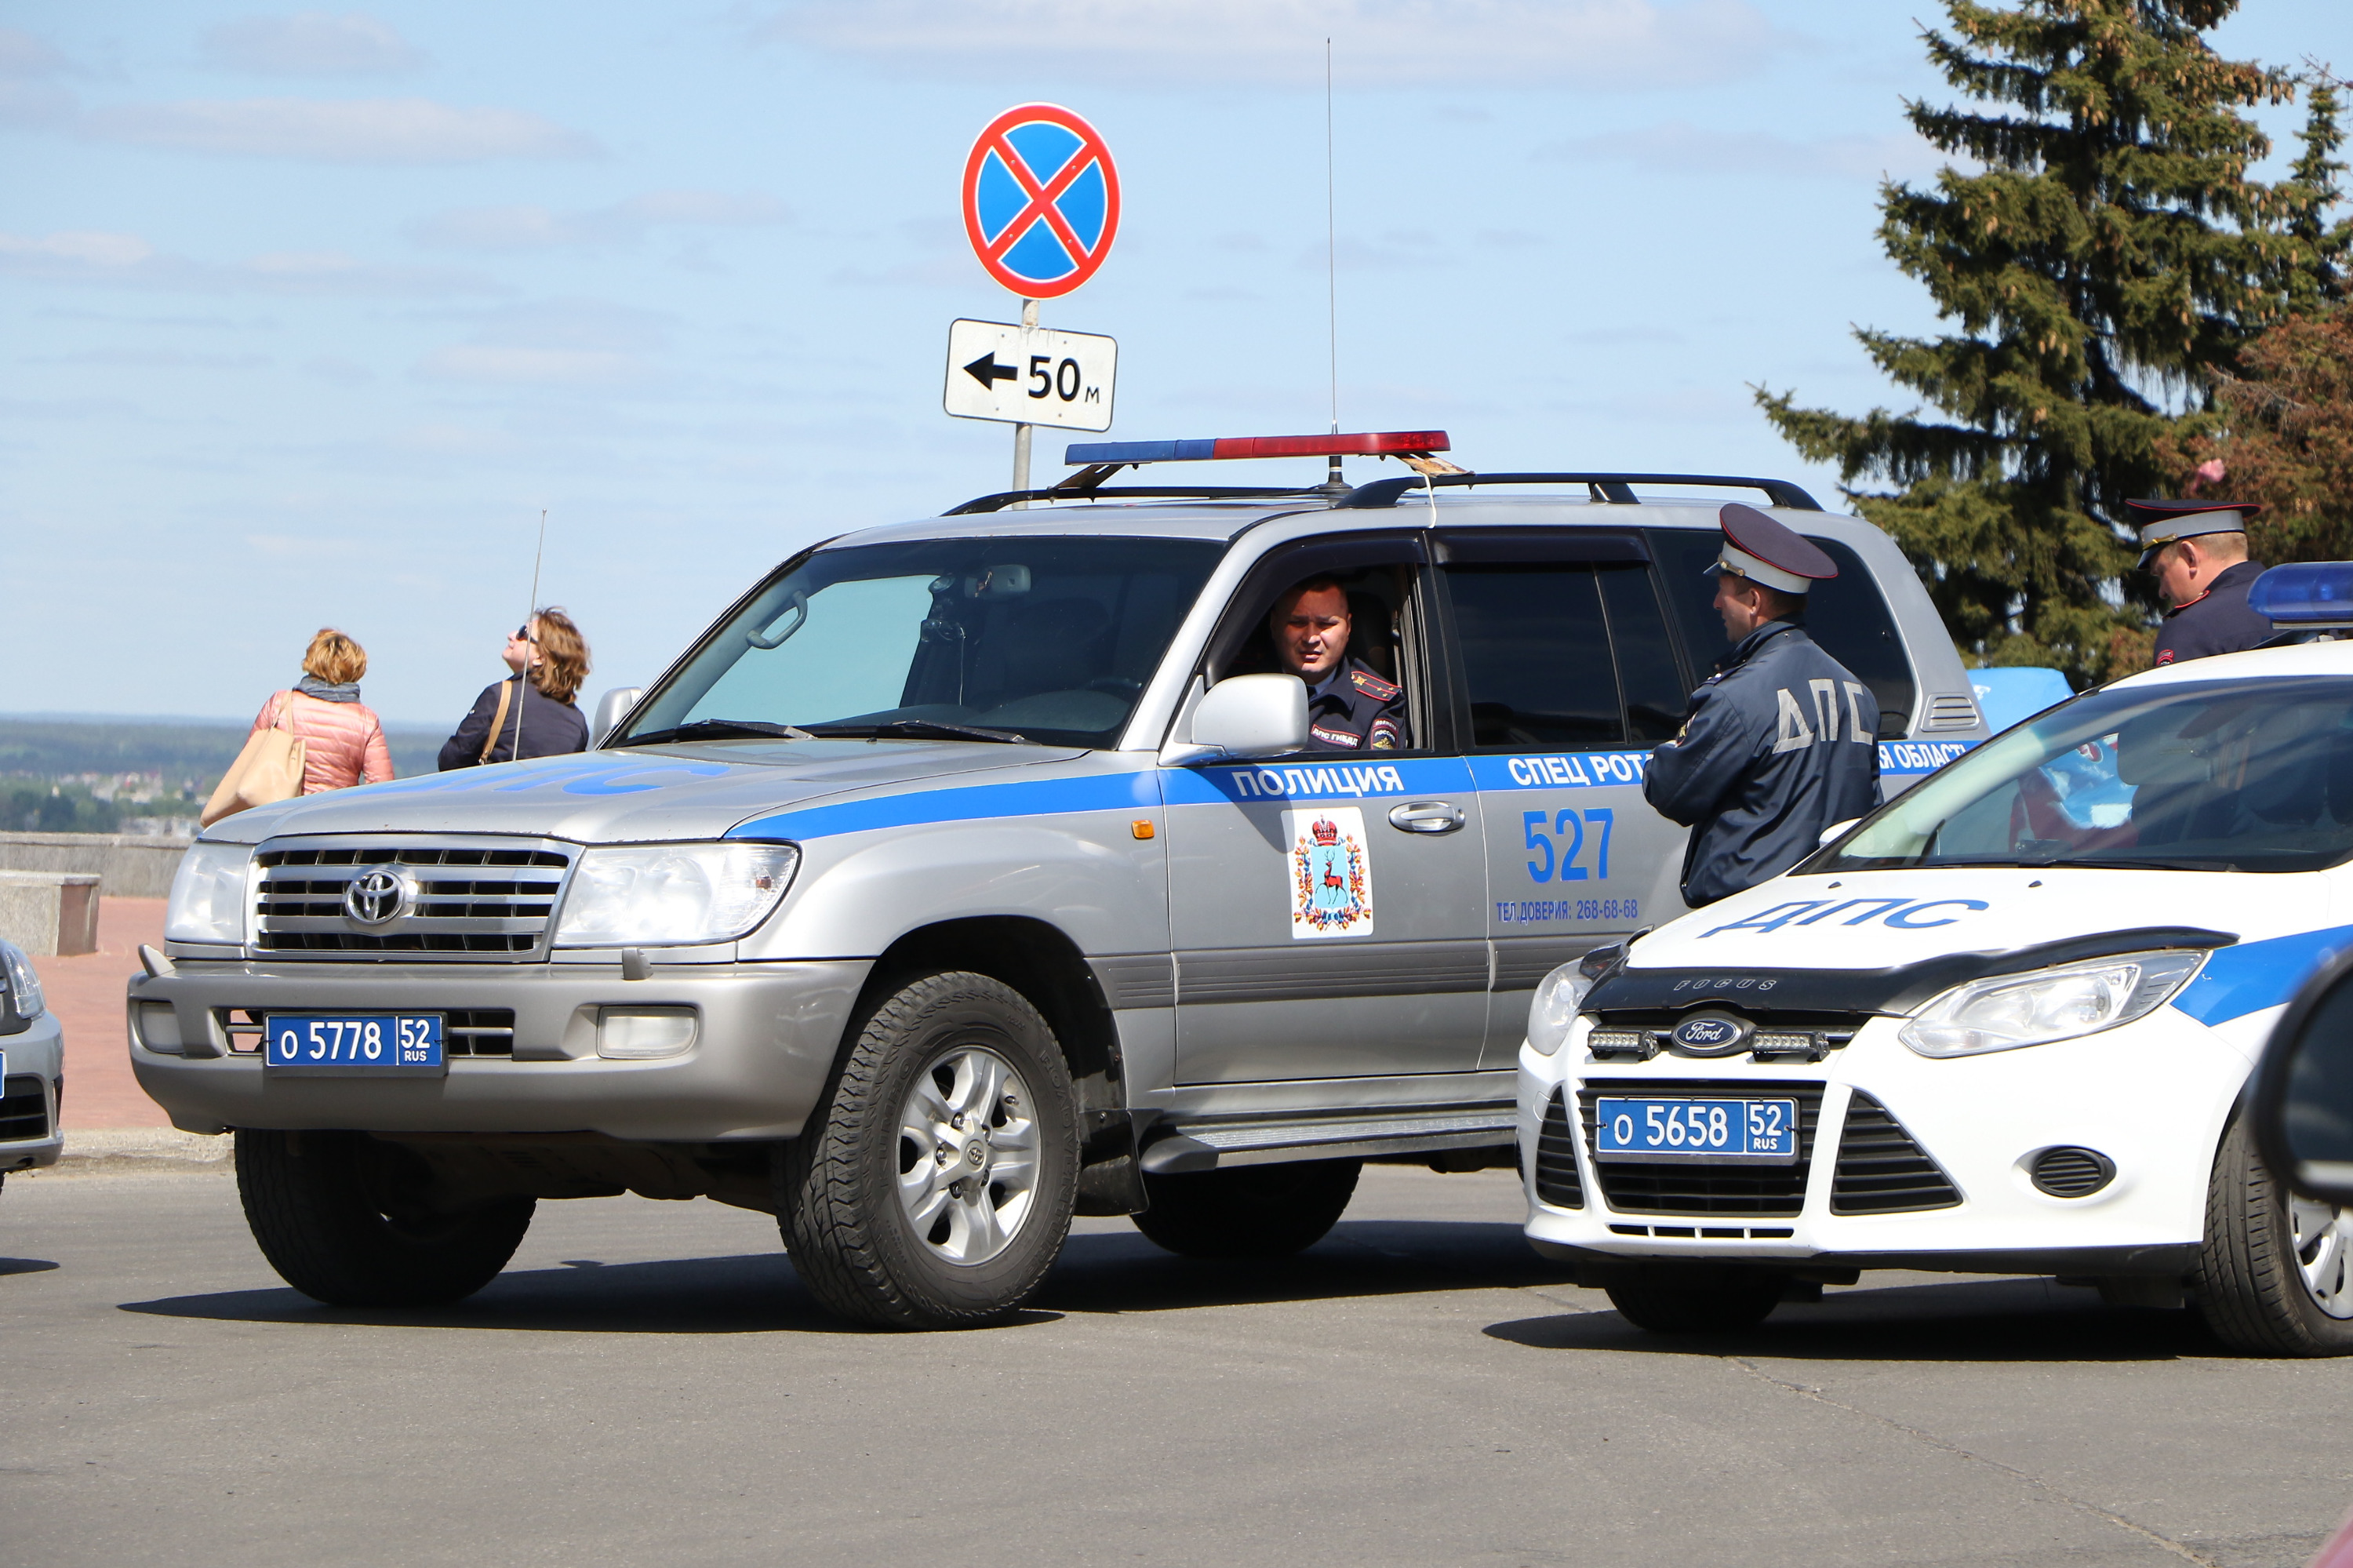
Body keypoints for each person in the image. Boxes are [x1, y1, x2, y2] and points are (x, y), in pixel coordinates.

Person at [1643, 504, 1881, 908]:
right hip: (1833, 909)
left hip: (1750, 915)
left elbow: (1670, 791)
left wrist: (1662, 754)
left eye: (1723, 589)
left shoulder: (1737, 695)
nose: (1717, 603)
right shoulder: (1856, 691)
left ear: (1753, 601)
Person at [438, 608, 591, 769]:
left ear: (541, 658)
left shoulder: (500, 696)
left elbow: (451, 761)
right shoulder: (577, 720)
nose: (511, 635)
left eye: (522, 634)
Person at [1267, 574, 1405, 751]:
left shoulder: (1377, 705)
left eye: (1325, 624)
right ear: (1274, 625)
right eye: (1297, 623)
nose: (1311, 638)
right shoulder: (1240, 690)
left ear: (1348, 627)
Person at [2129, 498, 2272, 666]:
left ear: (2190, 557)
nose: (2162, 592)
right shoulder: (2303, 605)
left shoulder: (2190, 628)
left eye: (2161, 572)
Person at [250, 628, 395, 793]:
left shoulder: (280, 704)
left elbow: (248, 762)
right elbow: (382, 788)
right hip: (335, 815)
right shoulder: (366, 721)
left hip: (281, 811)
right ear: (356, 669)